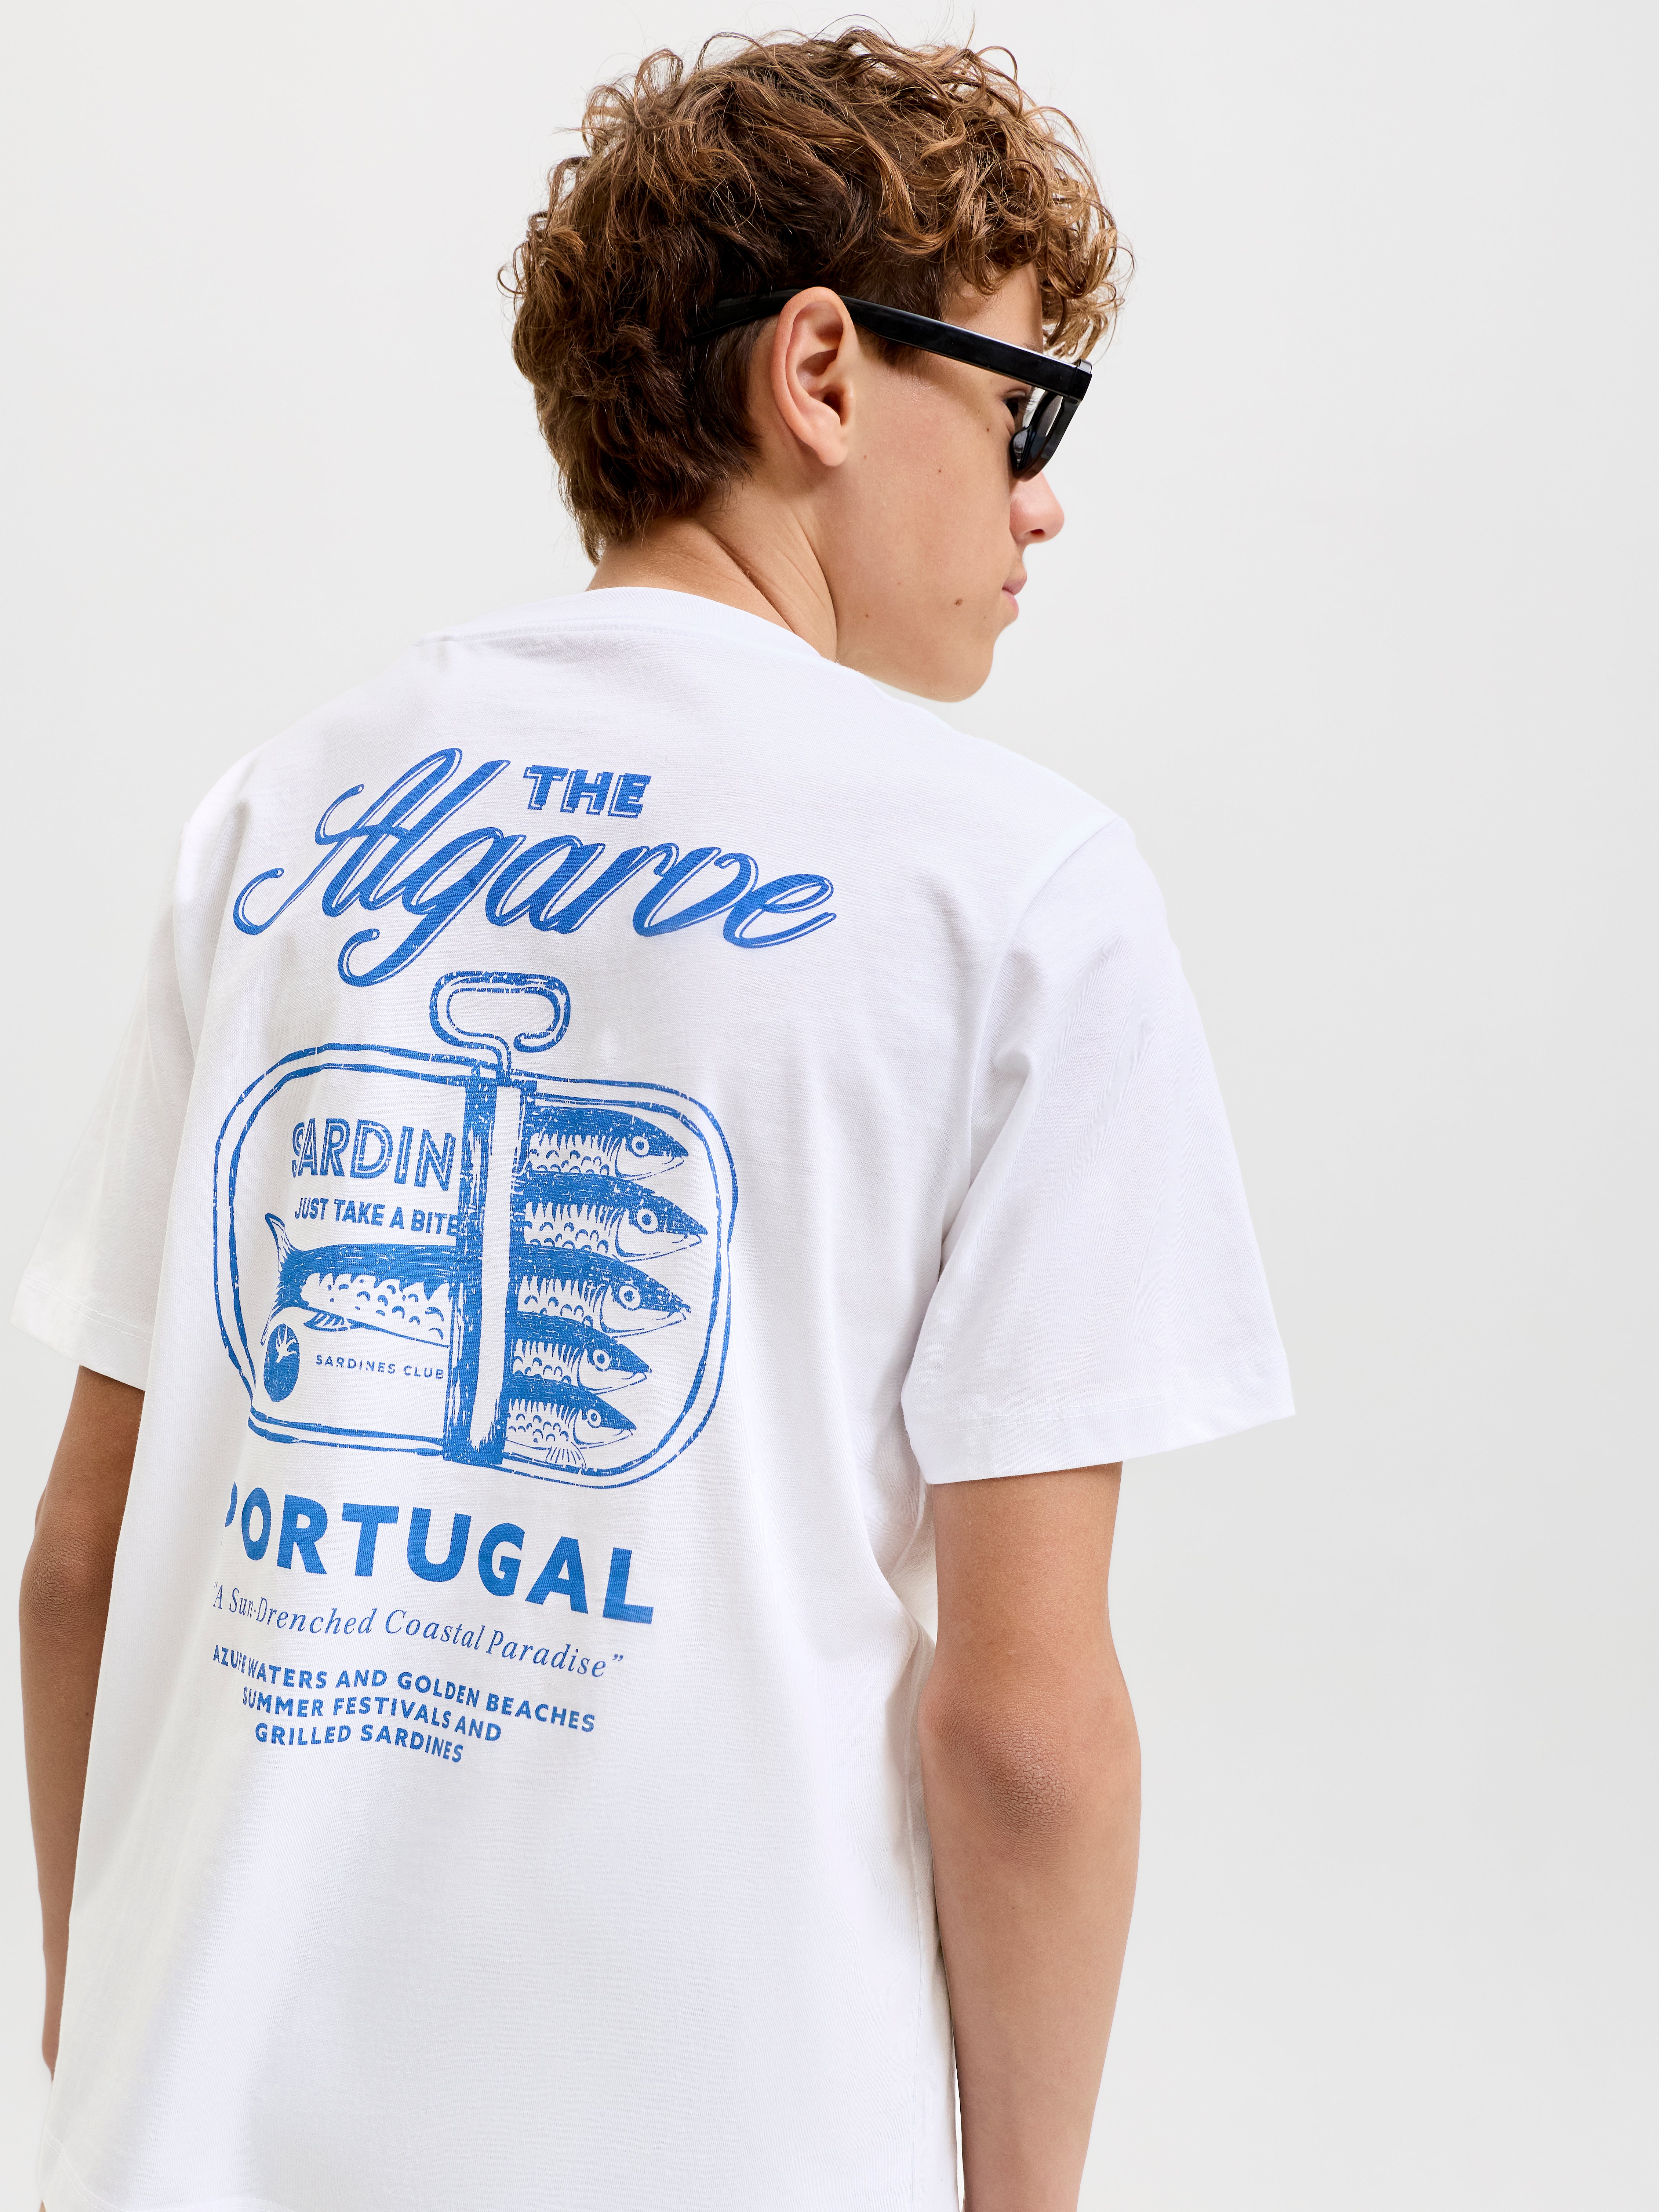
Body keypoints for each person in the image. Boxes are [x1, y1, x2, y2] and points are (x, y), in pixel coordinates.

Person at [14, 28, 1290, 2212]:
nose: (1040, 495)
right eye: (1020, 405)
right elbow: (1022, 1733)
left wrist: (110, 2043)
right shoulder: (1014, 896)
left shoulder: (279, 816)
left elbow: (81, 1568)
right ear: (823, 372)